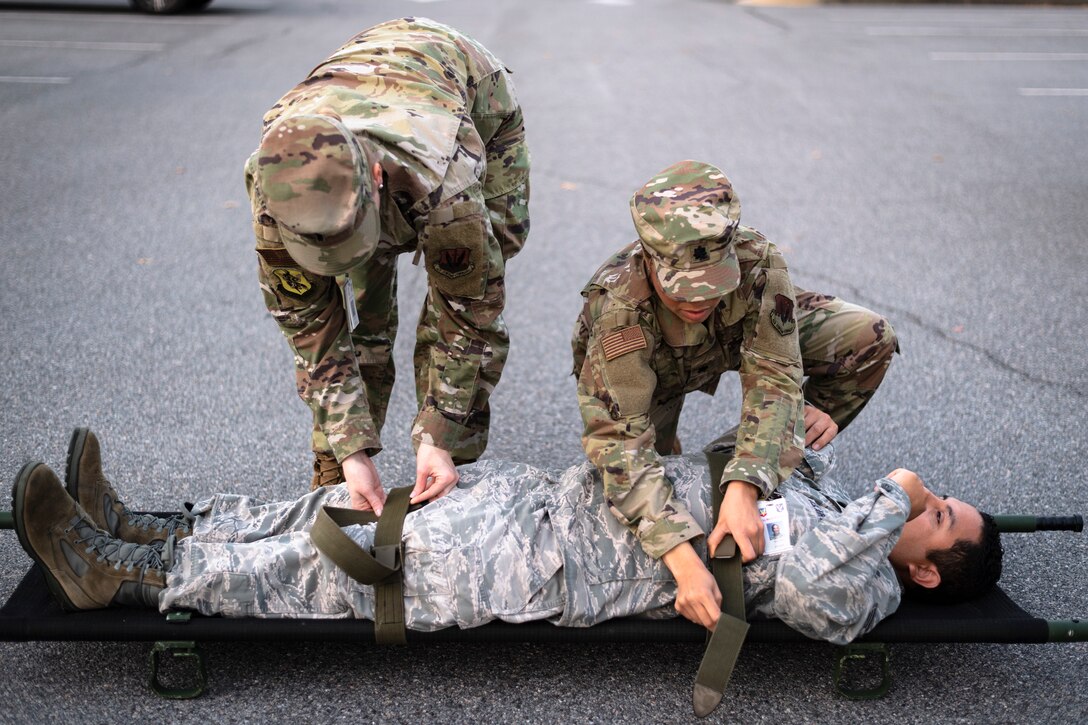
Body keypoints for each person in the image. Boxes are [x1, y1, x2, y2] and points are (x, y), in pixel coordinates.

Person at [10, 429, 1002, 642]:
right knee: (344, 513)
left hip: (539, 560)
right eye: (938, 496)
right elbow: (748, 458)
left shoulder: (863, 582)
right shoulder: (844, 515)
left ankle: (122, 574)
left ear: (921, 569)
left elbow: (819, 587)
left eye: (939, 514)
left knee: (332, 564)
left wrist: (895, 489)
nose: (927, 496)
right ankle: (144, 524)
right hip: (537, 499)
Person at [571, 160, 899, 623]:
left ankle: (789, 438)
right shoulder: (618, 307)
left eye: (712, 286)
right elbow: (619, 444)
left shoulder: (759, 262)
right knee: (654, 488)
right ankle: (691, 472)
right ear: (649, 259)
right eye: (682, 292)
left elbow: (775, 375)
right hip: (654, 370)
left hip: (736, 338)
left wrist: (746, 485)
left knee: (870, 337)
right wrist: (683, 561)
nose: (700, 302)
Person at [245, 17, 531, 515]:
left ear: (375, 178)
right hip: (354, 105)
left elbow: (471, 314)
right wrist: (350, 450)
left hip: (468, 94)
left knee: (476, 271)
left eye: (348, 235)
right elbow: (311, 329)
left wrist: (438, 432)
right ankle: (341, 472)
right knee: (365, 318)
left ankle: (448, 469)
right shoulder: (275, 192)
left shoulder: (445, 185)